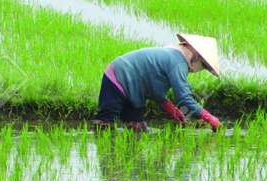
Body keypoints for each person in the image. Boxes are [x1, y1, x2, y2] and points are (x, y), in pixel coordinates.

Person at [93, 33, 222, 134]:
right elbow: (184, 99)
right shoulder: (179, 62)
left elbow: (152, 84)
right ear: (196, 56)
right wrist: (209, 117)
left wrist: (169, 108)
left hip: (134, 89)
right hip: (118, 77)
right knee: (104, 126)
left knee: (138, 129)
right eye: (203, 65)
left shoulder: (174, 56)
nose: (195, 70)